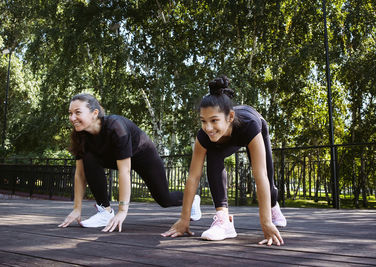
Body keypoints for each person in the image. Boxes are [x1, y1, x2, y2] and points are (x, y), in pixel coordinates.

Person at [162, 76, 286, 246]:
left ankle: (273, 206)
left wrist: (266, 223)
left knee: (268, 180)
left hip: (255, 125)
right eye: (203, 121)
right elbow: (193, 177)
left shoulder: (249, 126)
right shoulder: (204, 136)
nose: (208, 128)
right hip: (225, 138)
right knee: (213, 154)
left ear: (230, 117)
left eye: (214, 120)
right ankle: (223, 221)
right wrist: (184, 219)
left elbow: (260, 175)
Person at [58, 93, 201, 232]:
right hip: (113, 157)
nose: (72, 118)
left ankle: (192, 198)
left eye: (77, 112)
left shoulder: (116, 127)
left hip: (143, 156)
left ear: (94, 113)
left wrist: (122, 211)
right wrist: (77, 209)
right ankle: (105, 211)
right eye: (70, 113)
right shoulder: (80, 135)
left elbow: (124, 171)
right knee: (88, 159)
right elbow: (80, 174)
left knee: (164, 199)